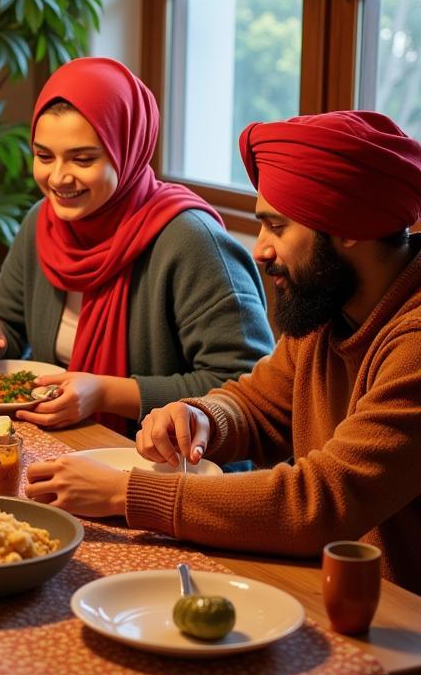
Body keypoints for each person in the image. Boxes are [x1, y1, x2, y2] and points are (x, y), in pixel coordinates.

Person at [24, 109, 421, 595]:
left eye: (277, 227)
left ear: (349, 226)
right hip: (330, 587)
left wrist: (124, 492)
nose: (261, 249)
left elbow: (321, 501)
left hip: (400, 620)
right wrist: (203, 417)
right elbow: (260, 405)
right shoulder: (328, 303)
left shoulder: (412, 341)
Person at [0, 57, 273, 431]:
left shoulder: (190, 241)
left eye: (83, 159)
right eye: (43, 156)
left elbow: (245, 387)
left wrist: (106, 394)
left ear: (129, 150)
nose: (58, 177)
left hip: (173, 469)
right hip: (70, 442)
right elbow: (6, 318)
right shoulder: (44, 221)